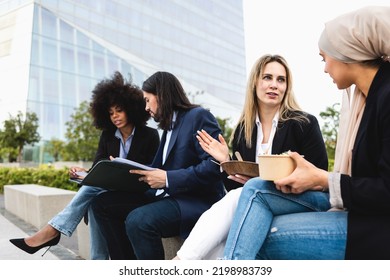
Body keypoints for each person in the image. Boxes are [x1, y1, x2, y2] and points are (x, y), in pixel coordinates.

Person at [223, 6, 390, 260]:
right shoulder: (366, 100)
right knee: (255, 191)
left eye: (325, 58)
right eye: (267, 78)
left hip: (373, 228)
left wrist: (321, 178)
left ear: (346, 53)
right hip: (361, 214)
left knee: (259, 234)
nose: (324, 68)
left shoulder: (384, 97)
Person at [174, 54, 329, 260]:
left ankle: (179, 262)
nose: (274, 85)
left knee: (244, 195)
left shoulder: (304, 123)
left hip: (303, 198)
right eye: (267, 78)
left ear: (286, 86)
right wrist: (225, 162)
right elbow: (236, 190)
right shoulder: (243, 130)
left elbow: (320, 176)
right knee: (218, 246)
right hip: (256, 199)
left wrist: (274, 181)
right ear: (255, 82)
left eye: (280, 80)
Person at [9, 71, 160, 259]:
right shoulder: (107, 136)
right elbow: (99, 168)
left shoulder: (150, 135)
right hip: (109, 190)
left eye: (119, 110)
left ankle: (52, 231)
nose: (115, 116)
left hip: (137, 191)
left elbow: (154, 170)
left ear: (131, 108)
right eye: (111, 113)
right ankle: (95, 261)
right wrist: (85, 172)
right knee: (95, 198)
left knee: (92, 191)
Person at [91, 71, 225, 260]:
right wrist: (120, 171)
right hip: (166, 197)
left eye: (147, 100)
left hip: (194, 201)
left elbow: (214, 167)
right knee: (101, 204)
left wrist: (168, 178)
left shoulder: (198, 116)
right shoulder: (168, 128)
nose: (146, 107)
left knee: (139, 221)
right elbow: (155, 168)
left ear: (161, 95)